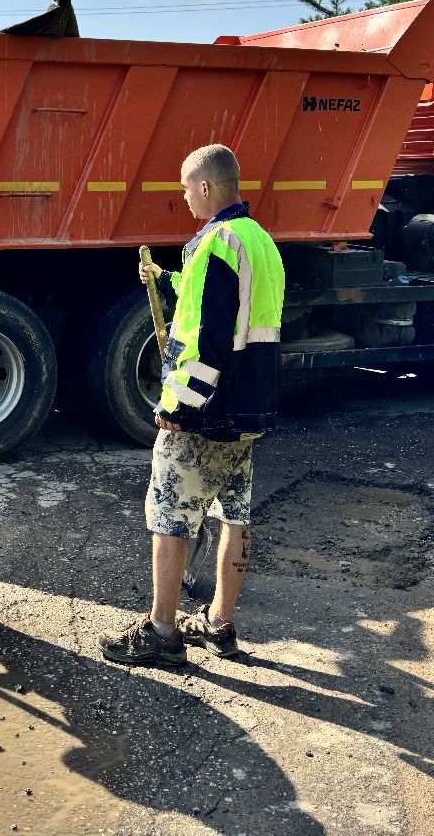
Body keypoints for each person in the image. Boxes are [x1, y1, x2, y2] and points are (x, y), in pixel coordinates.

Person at [100, 144, 284, 668]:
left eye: (185, 188)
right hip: (247, 408)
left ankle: (162, 632)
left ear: (206, 187)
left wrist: (181, 406)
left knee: (169, 517)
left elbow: (208, 338)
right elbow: (225, 306)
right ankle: (219, 625)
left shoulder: (213, 244)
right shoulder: (259, 242)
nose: (183, 198)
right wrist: (165, 280)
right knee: (234, 514)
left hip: (206, 413)